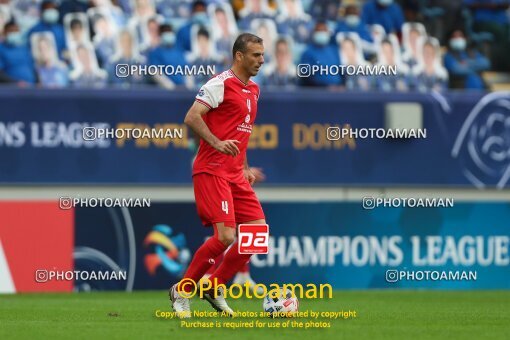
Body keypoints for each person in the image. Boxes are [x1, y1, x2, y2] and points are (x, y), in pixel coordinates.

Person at [170, 33, 266, 318]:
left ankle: (214, 285)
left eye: (262, 54)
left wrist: (245, 167)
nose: (261, 60)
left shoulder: (255, 90)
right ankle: (182, 291)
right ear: (239, 56)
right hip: (212, 170)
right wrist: (215, 142)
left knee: (257, 234)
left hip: (236, 174)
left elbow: (240, 134)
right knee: (225, 236)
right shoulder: (219, 83)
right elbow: (192, 116)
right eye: (256, 55)